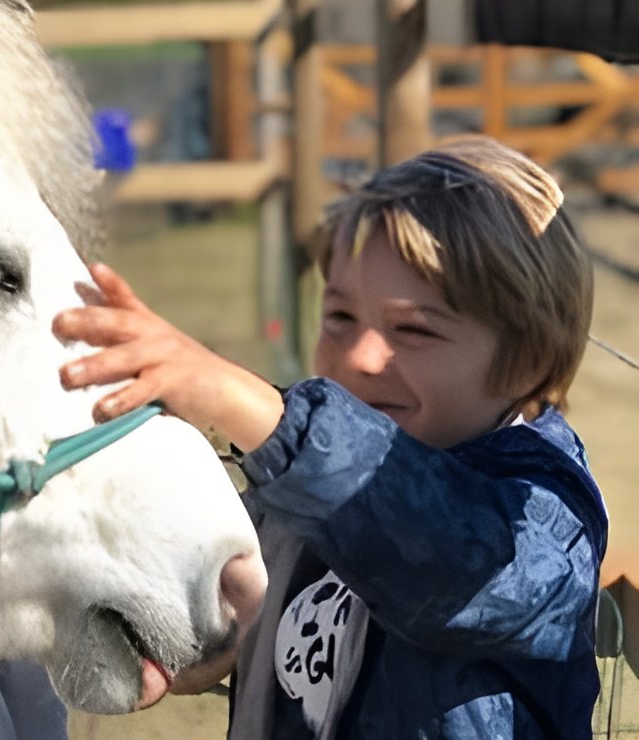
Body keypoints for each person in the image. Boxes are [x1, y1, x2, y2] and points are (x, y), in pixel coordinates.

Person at [52, 135, 607, 739]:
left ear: (525, 360)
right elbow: (241, 579)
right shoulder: (307, 501)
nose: (362, 357)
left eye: (414, 330)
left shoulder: (542, 520)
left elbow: (444, 554)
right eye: (341, 317)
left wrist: (250, 407)